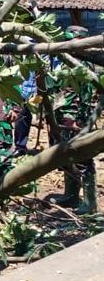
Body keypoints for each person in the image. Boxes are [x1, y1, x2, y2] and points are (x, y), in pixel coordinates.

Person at [48, 25, 98, 214]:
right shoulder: (65, 60)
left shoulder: (82, 63)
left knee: (82, 157)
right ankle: (71, 195)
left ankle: (90, 202)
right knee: (66, 156)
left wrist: (78, 120)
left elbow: (86, 94)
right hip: (62, 116)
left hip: (75, 118)